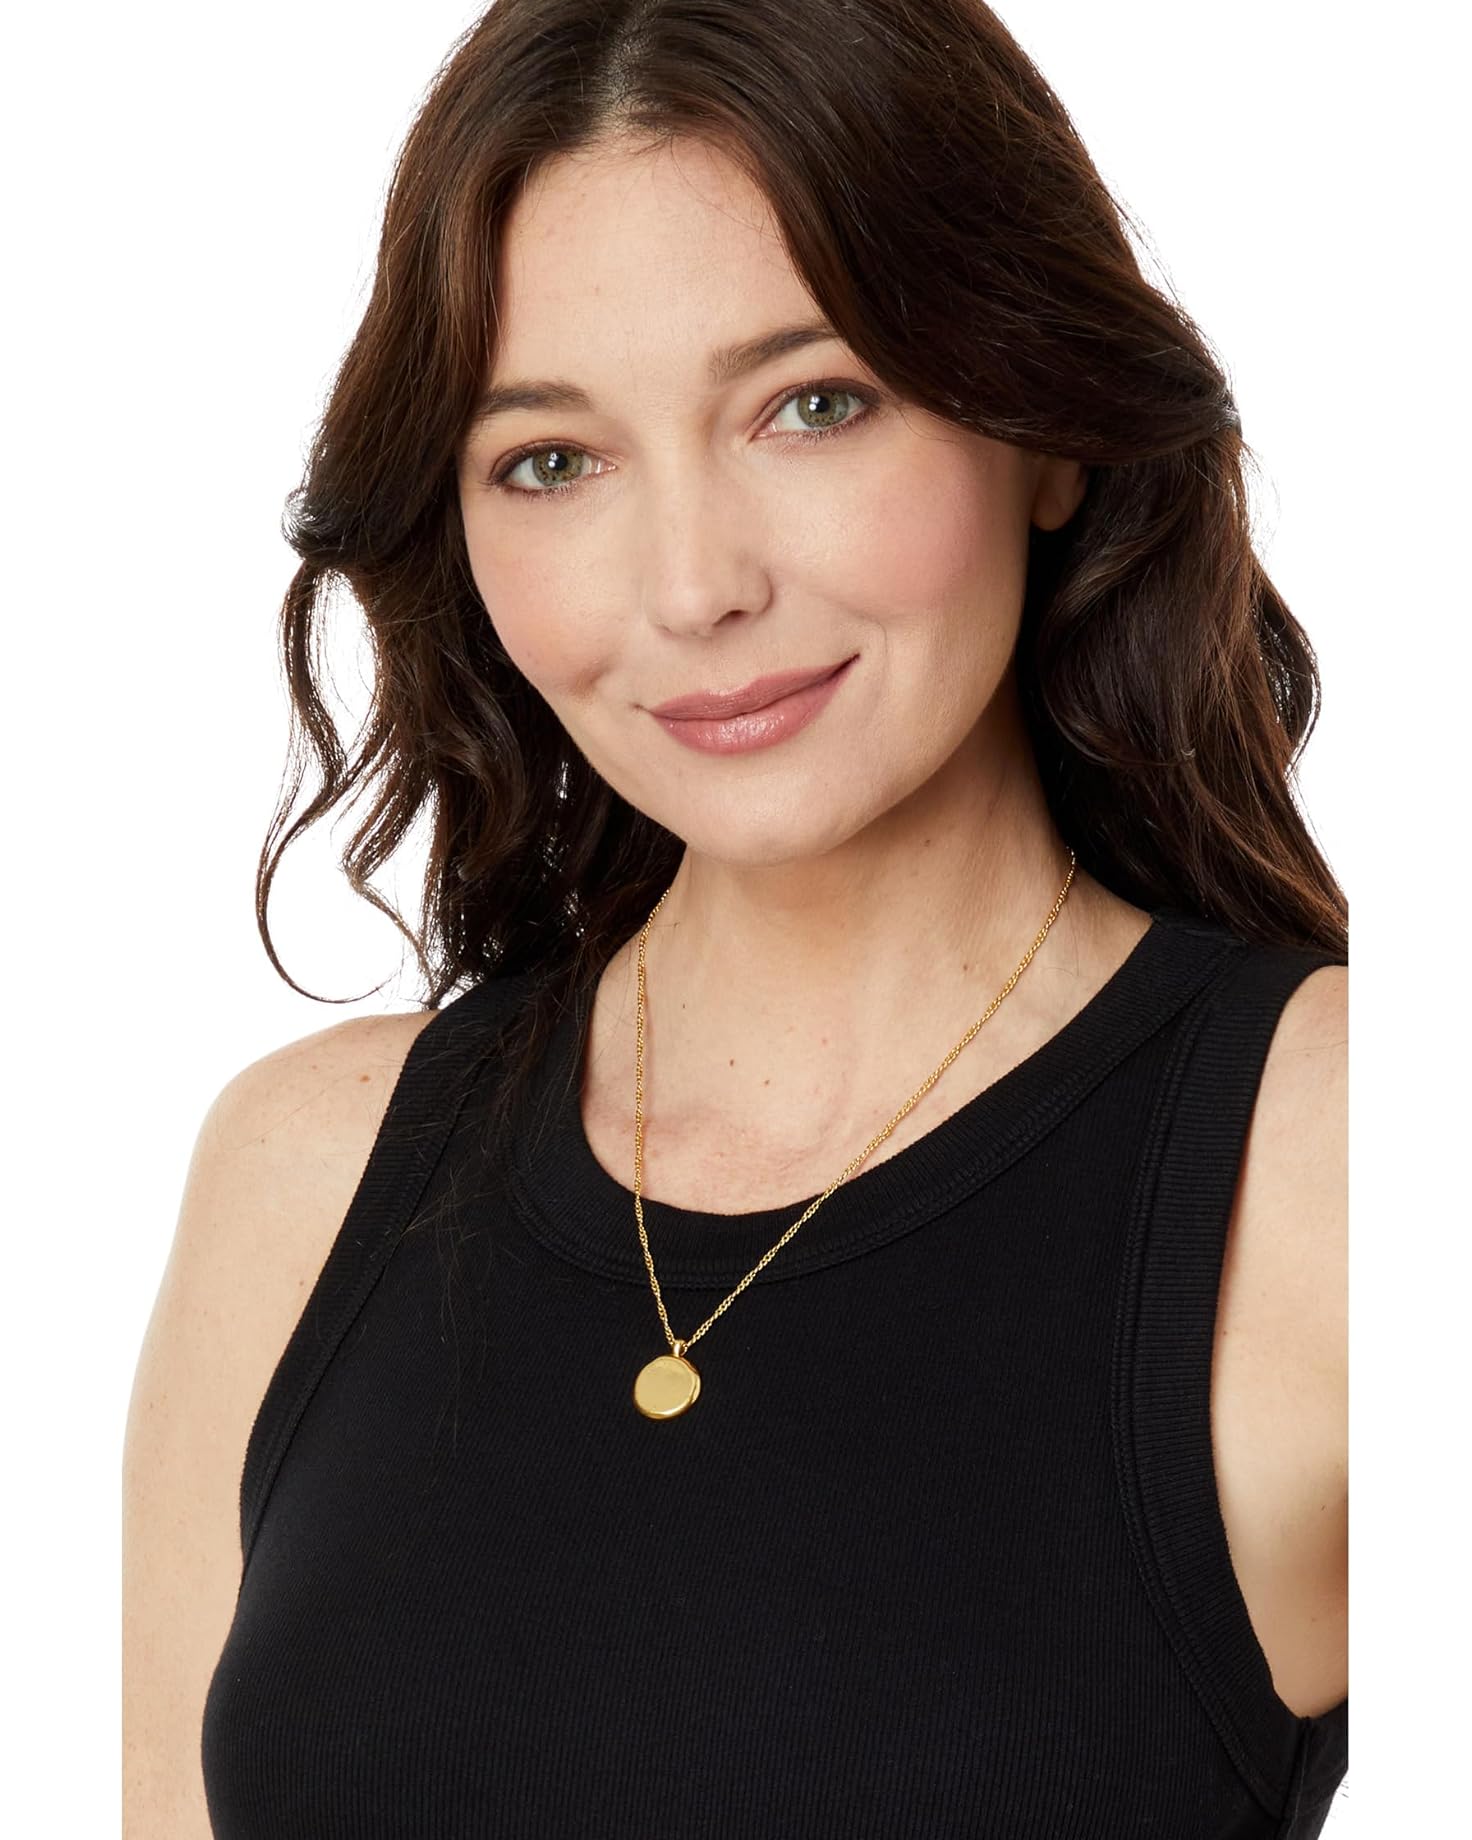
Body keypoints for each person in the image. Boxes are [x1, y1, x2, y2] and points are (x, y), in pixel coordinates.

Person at [122, 2, 1348, 1835]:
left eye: (812, 405)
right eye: (553, 459)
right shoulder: (305, 1175)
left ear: (1045, 427)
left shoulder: (1337, 1155)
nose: (694, 586)